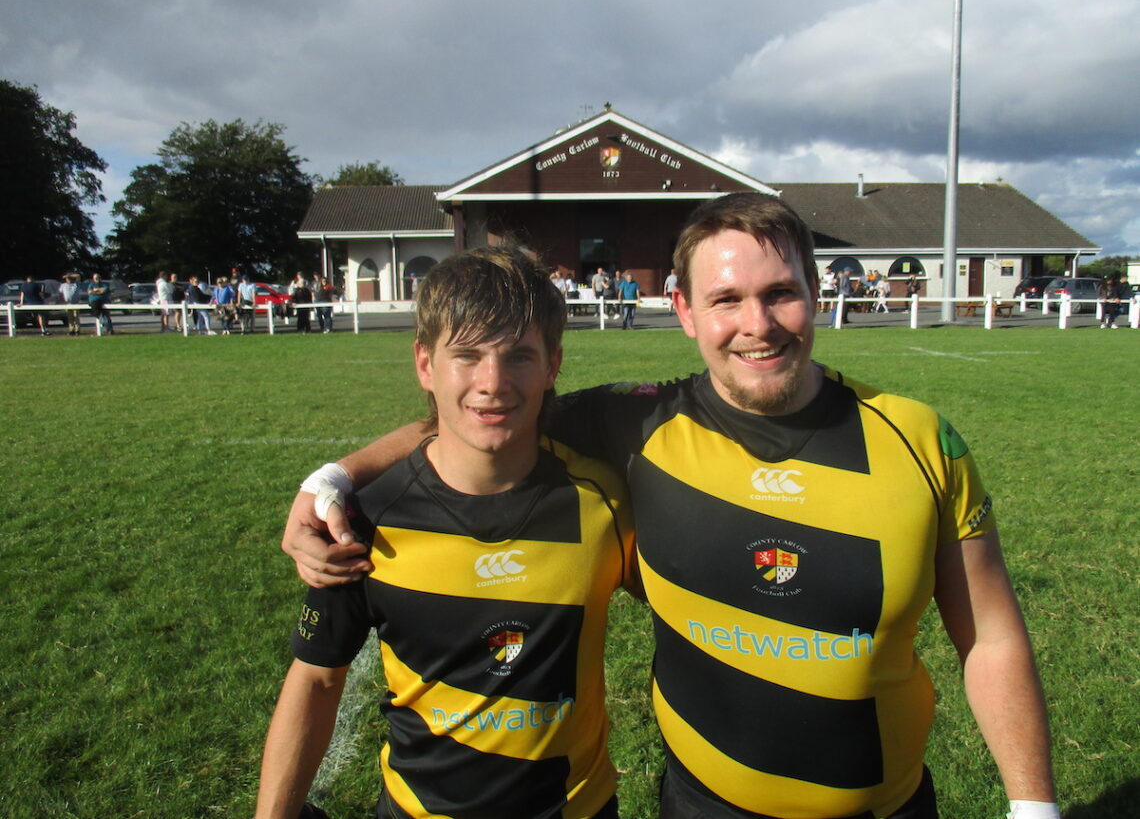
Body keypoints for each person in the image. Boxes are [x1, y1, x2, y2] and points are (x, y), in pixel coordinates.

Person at [282, 193, 1060, 819]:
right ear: (684, 310)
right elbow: (480, 412)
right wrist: (335, 476)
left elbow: (991, 636)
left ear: (816, 294)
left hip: (887, 808)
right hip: (701, 805)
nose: (757, 324)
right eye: (727, 299)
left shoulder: (920, 439)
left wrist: (1033, 805)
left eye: (780, 293)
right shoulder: (635, 424)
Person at [256, 246, 636, 819]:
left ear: (553, 365)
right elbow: (315, 681)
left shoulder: (604, 501)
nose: (493, 383)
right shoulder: (363, 519)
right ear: (424, 363)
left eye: (519, 356)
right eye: (467, 355)